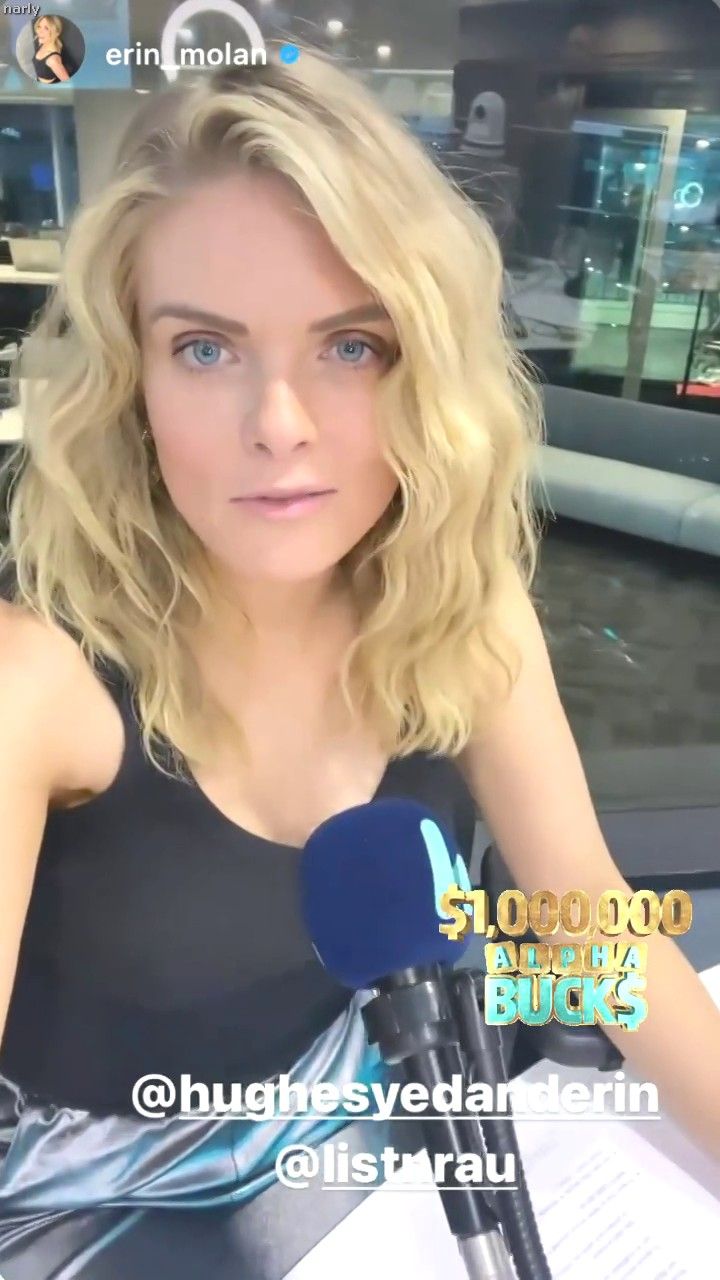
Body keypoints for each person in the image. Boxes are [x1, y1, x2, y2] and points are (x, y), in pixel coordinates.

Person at [0, 48, 718, 1275]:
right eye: (206, 348)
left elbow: (592, 925)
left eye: (349, 346)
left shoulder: (460, 612)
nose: (279, 424)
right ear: (130, 380)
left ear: (422, 365)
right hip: (92, 1219)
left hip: (366, 1179)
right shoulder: (33, 684)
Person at [32, 14, 73, 85]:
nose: (39, 31)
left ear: (56, 33)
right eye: (39, 26)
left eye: (46, 28)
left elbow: (68, 83)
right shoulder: (42, 42)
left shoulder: (53, 60)